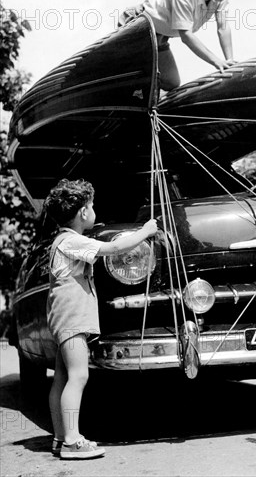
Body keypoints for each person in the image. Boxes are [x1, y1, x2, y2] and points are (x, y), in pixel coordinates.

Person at [43, 178, 157, 459]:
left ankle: (61, 437)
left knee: (62, 377)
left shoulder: (62, 240)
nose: (94, 211)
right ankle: (71, 441)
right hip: (71, 320)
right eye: (92, 206)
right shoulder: (71, 241)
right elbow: (115, 250)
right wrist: (145, 231)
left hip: (63, 319)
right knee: (79, 376)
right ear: (83, 212)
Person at [118, 0, 241, 91]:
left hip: (160, 36)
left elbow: (223, 28)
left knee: (171, 82)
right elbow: (186, 36)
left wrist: (230, 61)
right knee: (136, 76)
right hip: (137, 26)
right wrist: (217, 62)